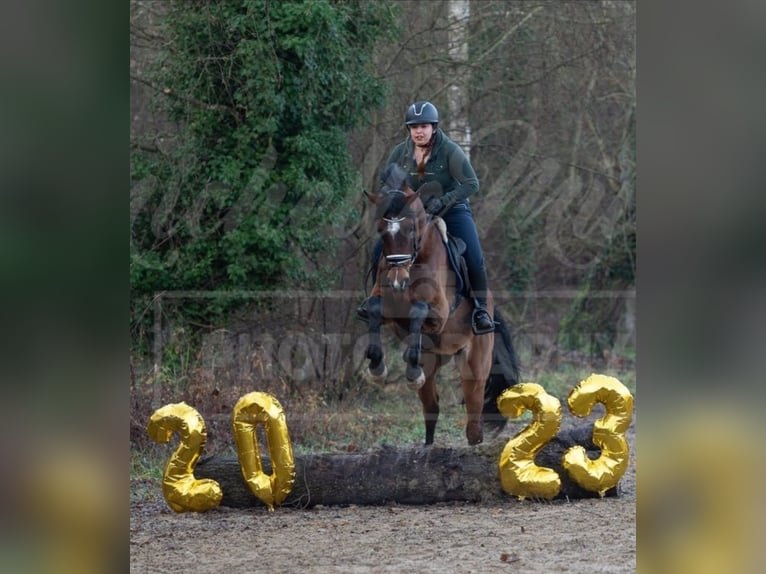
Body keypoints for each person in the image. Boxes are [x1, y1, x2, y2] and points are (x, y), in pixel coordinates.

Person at [357, 100, 495, 334]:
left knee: (474, 255)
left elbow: (471, 184)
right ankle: (374, 297)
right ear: (409, 130)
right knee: (380, 248)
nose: (418, 131)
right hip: (411, 215)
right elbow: (386, 185)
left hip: (452, 210)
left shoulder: (449, 150)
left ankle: (480, 309)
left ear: (434, 127)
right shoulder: (400, 152)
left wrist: (444, 200)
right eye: (414, 127)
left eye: (423, 126)